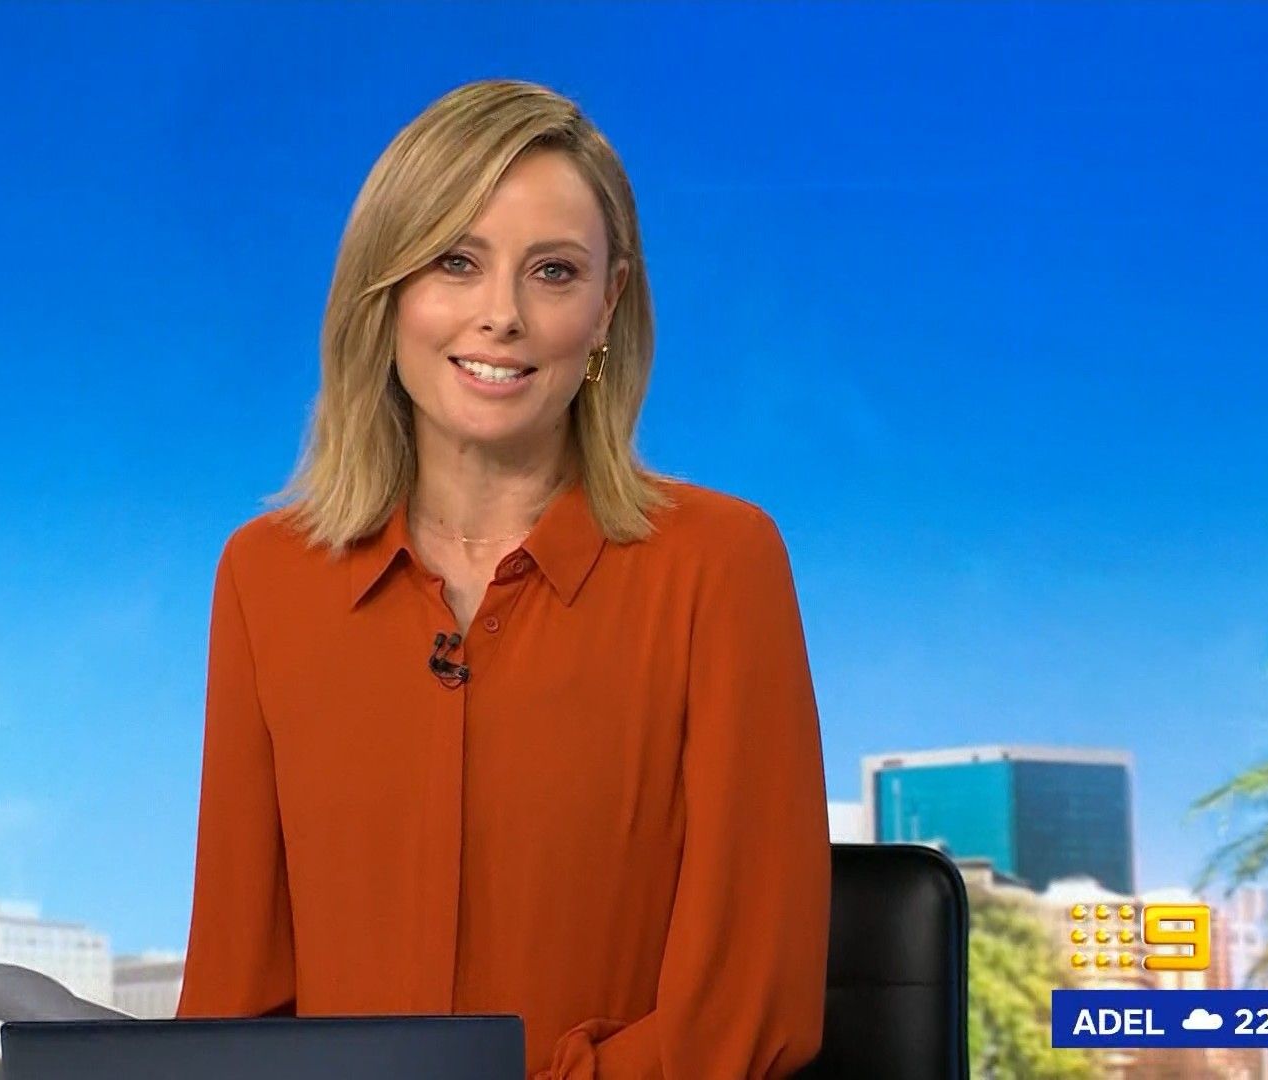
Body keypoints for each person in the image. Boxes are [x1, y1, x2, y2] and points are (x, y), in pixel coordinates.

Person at [176, 78, 831, 1079]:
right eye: (456, 261)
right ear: (387, 288)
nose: (502, 317)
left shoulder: (721, 566)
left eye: (553, 273)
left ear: (608, 306)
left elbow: (748, 1008)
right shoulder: (266, 579)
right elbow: (233, 995)